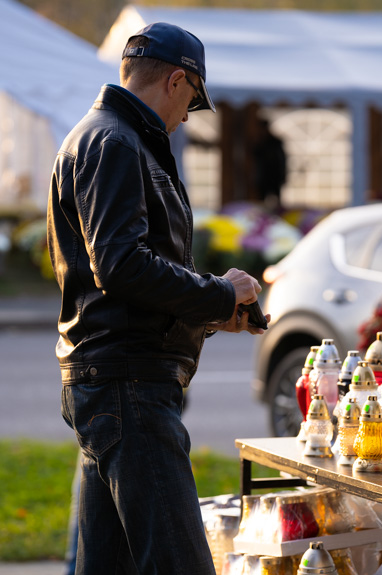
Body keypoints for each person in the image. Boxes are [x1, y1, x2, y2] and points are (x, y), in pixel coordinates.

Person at [46, 22, 268, 575]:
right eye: (193, 100)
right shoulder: (117, 142)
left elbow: (128, 273)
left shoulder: (106, 136)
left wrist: (215, 312)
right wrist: (218, 294)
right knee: (180, 563)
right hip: (129, 386)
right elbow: (121, 267)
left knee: (107, 567)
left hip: (115, 381)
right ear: (177, 80)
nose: (188, 115)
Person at [253, 118, 287, 210]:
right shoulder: (260, 144)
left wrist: (283, 175)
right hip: (264, 178)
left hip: (274, 176)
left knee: (277, 201)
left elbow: (281, 160)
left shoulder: (274, 143)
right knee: (262, 201)